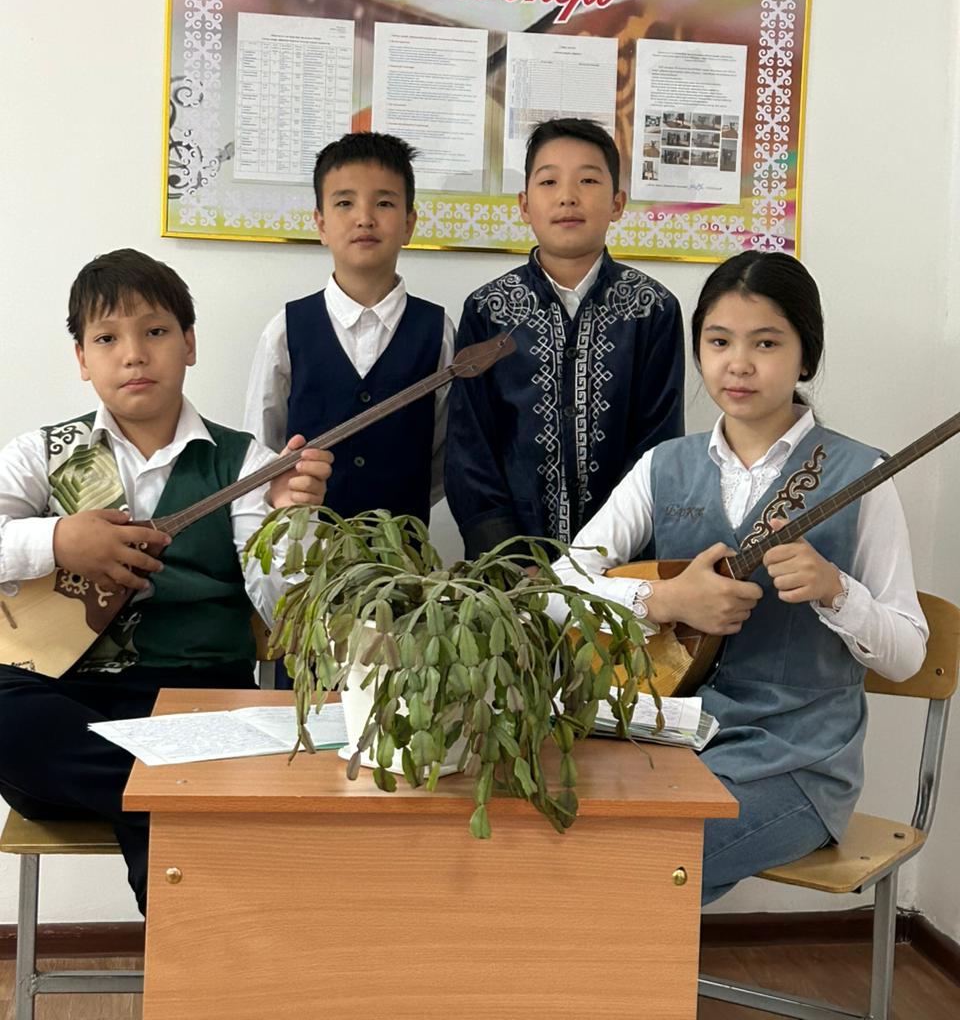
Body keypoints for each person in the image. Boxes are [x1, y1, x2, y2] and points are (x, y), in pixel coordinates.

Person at [550, 251, 928, 903]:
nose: (739, 363)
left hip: (798, 761)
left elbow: (907, 655)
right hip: (669, 737)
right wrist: (664, 598)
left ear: (806, 356)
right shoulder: (664, 466)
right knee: (548, 822)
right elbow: (556, 590)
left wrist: (836, 591)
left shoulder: (862, 475)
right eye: (719, 341)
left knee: (640, 863)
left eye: (766, 343)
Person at [0, 249, 332, 914]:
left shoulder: (247, 462)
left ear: (189, 344)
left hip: (199, 700)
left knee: (168, 816)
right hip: (73, 705)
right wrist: (59, 540)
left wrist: (290, 522)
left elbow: (288, 611)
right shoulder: (41, 454)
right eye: (106, 339)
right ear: (82, 358)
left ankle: (171, 811)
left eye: (154, 331)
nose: (133, 354)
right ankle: (182, 791)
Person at [445, 117, 684, 557]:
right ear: (524, 205)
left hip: (621, 562)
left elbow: (658, 444)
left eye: (588, 180)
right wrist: (505, 554)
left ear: (617, 203)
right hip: (512, 566)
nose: (567, 196)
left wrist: (608, 553)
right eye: (549, 181)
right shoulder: (489, 309)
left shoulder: (652, 308)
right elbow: (469, 447)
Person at [244, 131, 454, 526]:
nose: (364, 218)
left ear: (409, 224)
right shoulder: (286, 330)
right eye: (345, 203)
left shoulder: (437, 330)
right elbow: (260, 450)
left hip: (402, 551)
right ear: (321, 224)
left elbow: (445, 449)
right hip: (306, 548)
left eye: (384, 203)